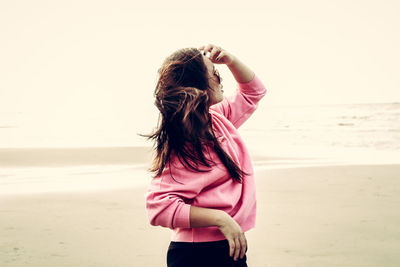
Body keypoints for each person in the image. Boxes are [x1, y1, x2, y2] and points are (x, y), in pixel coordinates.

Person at [143, 44, 267, 267]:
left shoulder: (218, 119)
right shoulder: (185, 141)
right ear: (197, 86)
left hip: (229, 245)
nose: (221, 80)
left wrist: (231, 61)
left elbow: (253, 92)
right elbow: (159, 207)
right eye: (214, 74)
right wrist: (220, 219)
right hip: (196, 254)